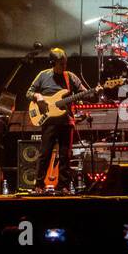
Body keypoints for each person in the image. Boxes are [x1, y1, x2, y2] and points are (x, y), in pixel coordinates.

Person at [25, 47, 88, 195]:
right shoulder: (43, 75)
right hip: (49, 122)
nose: (63, 66)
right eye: (61, 64)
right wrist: (38, 97)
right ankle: (39, 185)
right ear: (53, 63)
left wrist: (91, 93)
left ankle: (63, 186)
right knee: (45, 154)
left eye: (65, 63)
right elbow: (29, 93)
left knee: (65, 155)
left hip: (66, 122)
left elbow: (83, 92)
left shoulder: (70, 77)